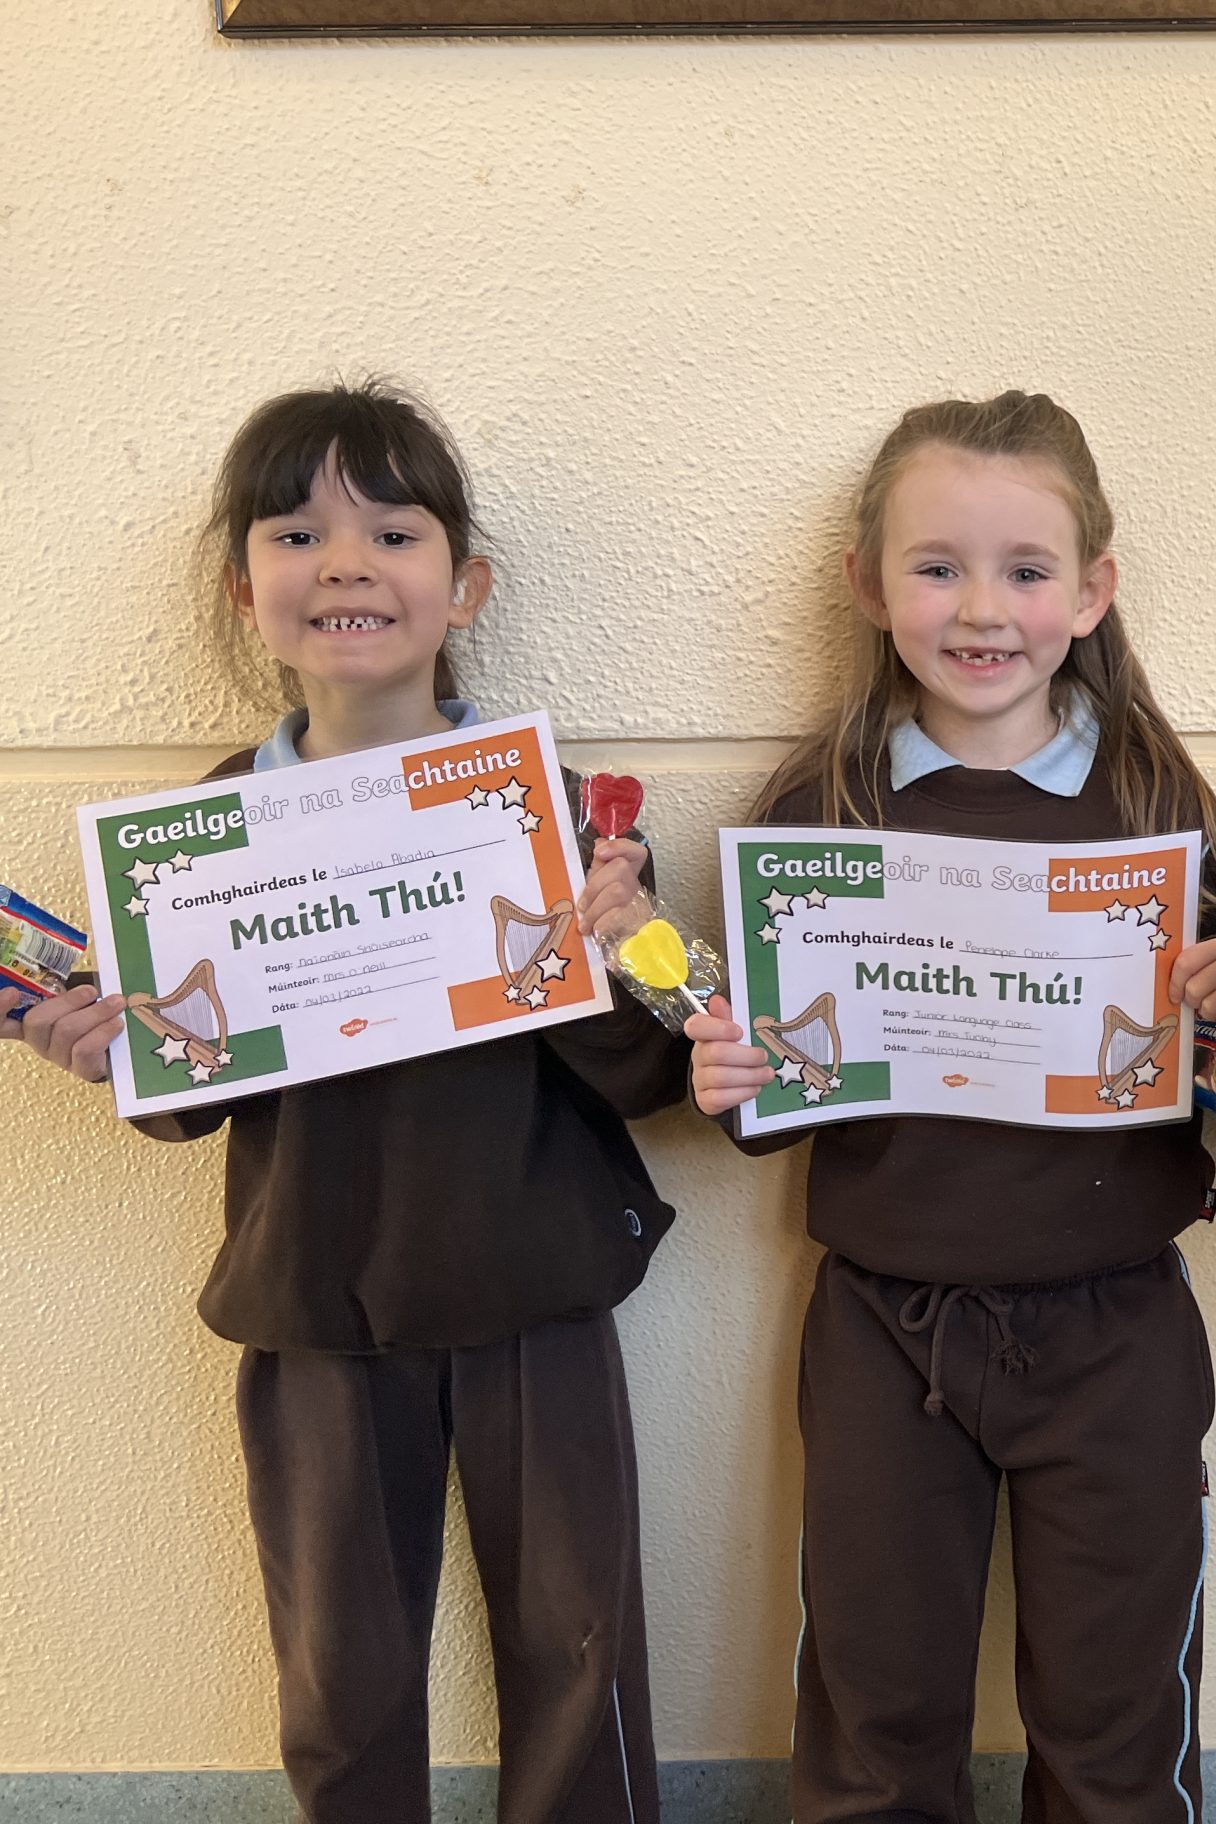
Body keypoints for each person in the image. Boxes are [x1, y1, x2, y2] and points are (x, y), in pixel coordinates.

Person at [2, 383, 688, 1822]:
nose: (345, 563)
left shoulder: (561, 811)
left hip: (537, 1295)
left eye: (392, 530)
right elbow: (188, 1103)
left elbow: (650, 1077)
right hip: (315, 1304)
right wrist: (110, 1057)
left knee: (579, 1658)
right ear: (243, 590)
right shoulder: (201, 836)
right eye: (297, 533)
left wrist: (615, 948)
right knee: (340, 1681)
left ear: (465, 585)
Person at [684, 390, 1216, 1824]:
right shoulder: (819, 811)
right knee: (876, 1718)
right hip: (885, 1328)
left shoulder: (1157, 797)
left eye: (1025, 570)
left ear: (1093, 591)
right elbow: (771, 1093)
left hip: (1119, 1326)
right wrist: (729, 1079)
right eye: (938, 567)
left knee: (1117, 1724)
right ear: (869, 587)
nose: (983, 609)